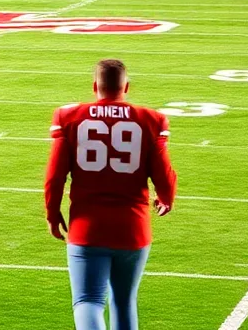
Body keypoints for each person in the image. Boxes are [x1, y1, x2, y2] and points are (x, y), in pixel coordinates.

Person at [44, 59, 178, 330]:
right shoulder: (150, 119)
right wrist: (166, 198)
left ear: (95, 86)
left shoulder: (69, 117)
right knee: (124, 301)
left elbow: (55, 176)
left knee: (88, 300)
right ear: (126, 87)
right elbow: (164, 175)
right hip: (133, 227)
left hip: (87, 227)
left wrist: (52, 211)